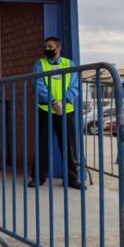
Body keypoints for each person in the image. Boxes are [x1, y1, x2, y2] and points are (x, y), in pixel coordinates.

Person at [28, 35, 83, 189]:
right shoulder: (40, 64)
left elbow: (74, 85)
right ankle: (38, 178)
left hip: (66, 110)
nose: (47, 49)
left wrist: (63, 103)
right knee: (43, 145)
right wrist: (53, 102)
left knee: (69, 145)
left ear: (58, 48)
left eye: (50, 47)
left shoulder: (69, 64)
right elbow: (39, 85)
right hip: (46, 109)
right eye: (46, 47)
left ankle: (72, 179)